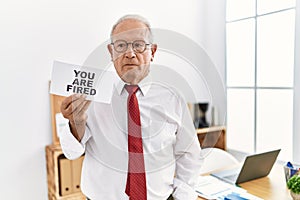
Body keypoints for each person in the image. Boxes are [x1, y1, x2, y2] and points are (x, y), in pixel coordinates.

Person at [60, 14, 202, 200]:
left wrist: (183, 196)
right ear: (111, 53)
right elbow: (71, 153)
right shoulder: (90, 95)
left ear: (153, 52)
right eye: (121, 46)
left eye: (138, 45)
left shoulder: (172, 98)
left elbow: (189, 154)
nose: (130, 53)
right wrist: (76, 121)